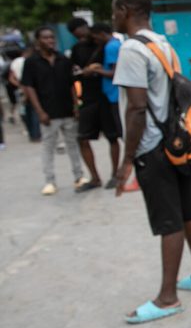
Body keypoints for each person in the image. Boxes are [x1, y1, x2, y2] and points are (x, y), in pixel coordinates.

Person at [112, 0, 191, 324]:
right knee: (187, 212)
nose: (113, 18)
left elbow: (136, 108)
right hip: (175, 143)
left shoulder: (131, 48)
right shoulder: (162, 44)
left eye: (114, 11)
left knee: (169, 222)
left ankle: (167, 298)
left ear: (126, 9)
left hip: (152, 148)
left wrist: (127, 160)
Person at [20, 28, 86, 195]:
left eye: (51, 37)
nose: (50, 40)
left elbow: (71, 84)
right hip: (48, 112)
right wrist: (39, 111)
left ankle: (79, 176)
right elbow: (29, 88)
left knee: (73, 144)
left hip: (67, 110)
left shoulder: (63, 59)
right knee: (48, 147)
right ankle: (50, 181)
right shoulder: (31, 62)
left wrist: (76, 106)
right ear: (38, 41)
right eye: (45, 38)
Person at [80, 23, 123, 189]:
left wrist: (95, 71)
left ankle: (122, 173)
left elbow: (115, 72)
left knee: (120, 135)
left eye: (96, 37)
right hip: (111, 97)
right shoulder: (115, 44)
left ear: (101, 34)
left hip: (114, 96)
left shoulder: (111, 47)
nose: (95, 41)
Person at [68, 17, 107, 191]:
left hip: (107, 97)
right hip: (88, 98)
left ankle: (117, 174)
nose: (82, 36)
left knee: (115, 137)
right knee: (82, 138)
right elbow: (73, 75)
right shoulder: (77, 49)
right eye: (77, 35)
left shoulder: (104, 45)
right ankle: (95, 178)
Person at [8, 46, 42, 142]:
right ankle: (36, 134)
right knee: (34, 111)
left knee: (25, 112)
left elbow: (11, 78)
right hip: (32, 89)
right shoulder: (32, 62)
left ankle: (32, 133)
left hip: (21, 90)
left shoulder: (15, 62)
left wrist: (20, 85)